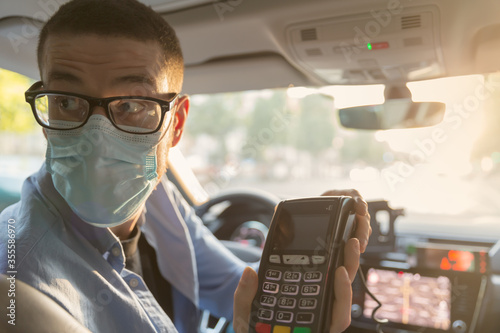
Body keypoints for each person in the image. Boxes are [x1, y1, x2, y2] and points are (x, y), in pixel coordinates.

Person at [0, 0, 371, 332]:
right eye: (67, 101)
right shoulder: (18, 283)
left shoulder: (158, 198)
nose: (96, 136)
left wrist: (314, 270)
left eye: (131, 106)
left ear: (175, 124)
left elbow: (231, 288)